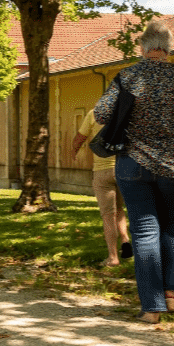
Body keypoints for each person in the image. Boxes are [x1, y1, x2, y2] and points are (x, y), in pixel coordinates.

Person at [93, 20, 174, 324]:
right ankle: (171, 295)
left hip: (133, 164)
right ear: (169, 47)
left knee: (145, 232)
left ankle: (152, 307)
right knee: (169, 227)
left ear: (143, 46)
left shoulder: (128, 76)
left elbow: (100, 113)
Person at [72, 110, 133, 267]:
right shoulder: (128, 113)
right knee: (119, 209)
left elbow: (80, 137)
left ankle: (113, 258)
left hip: (102, 171)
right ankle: (125, 241)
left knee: (108, 215)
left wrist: (74, 150)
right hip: (124, 169)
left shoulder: (94, 114)